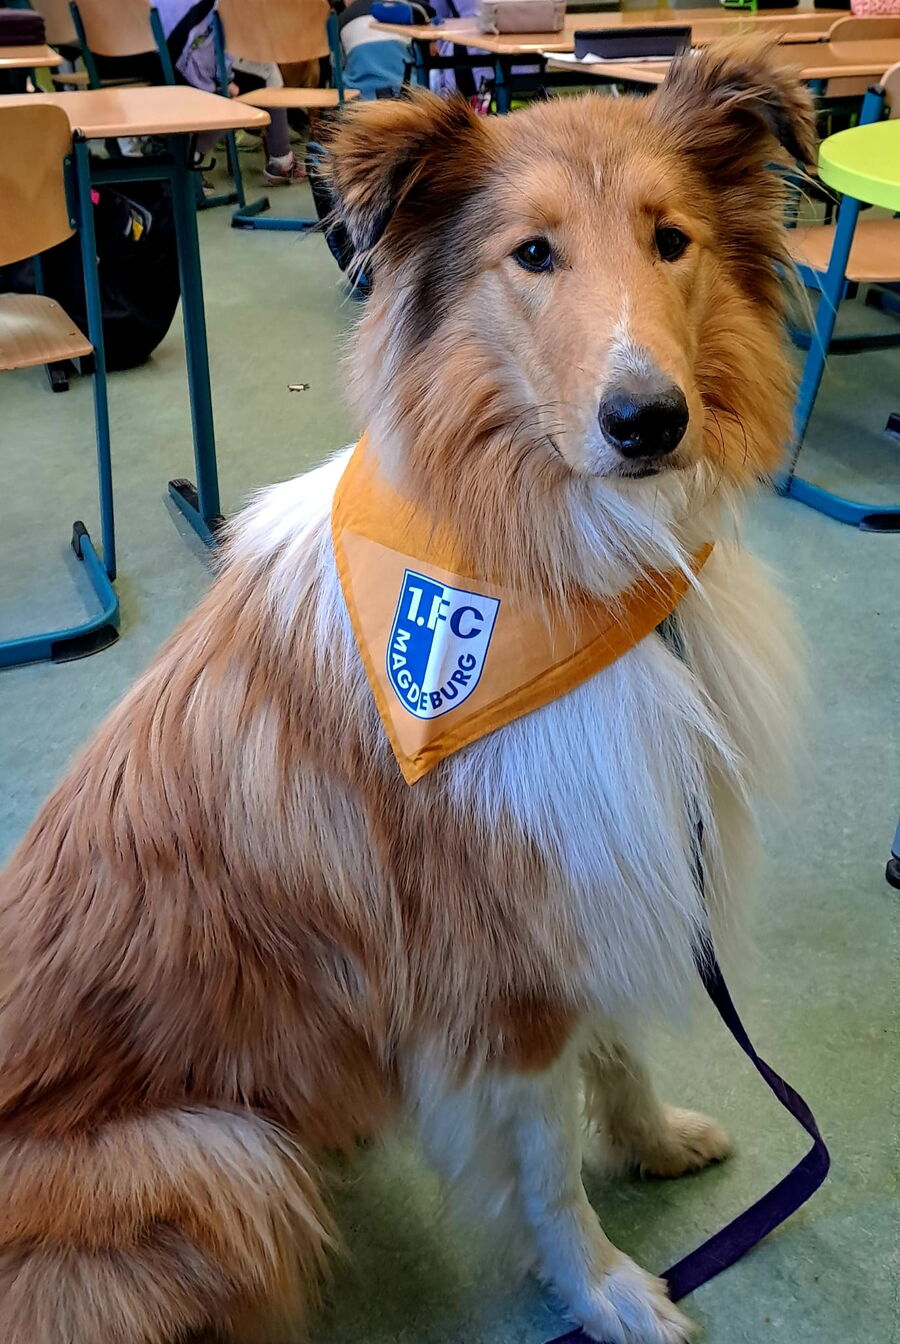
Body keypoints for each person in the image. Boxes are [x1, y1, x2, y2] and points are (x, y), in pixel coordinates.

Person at [155, 0, 305, 184]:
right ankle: (192, 156)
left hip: (144, 64)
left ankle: (185, 155)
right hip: (186, 65)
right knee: (264, 76)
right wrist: (226, 79)